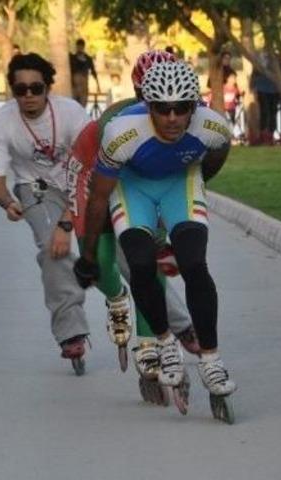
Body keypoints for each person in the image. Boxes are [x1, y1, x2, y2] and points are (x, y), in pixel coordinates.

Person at [74, 61, 237, 420]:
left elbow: (219, 153)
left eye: (183, 107)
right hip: (133, 190)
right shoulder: (121, 133)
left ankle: (211, 358)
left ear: (195, 106)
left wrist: (196, 177)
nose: (173, 117)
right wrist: (88, 256)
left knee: (194, 264)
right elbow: (99, 198)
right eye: (163, 108)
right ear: (147, 105)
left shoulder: (212, 126)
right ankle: (165, 342)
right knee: (142, 266)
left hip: (180, 183)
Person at [67, 50, 200, 403]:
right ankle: (115, 296)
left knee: (148, 263)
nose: (167, 112)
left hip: (135, 180)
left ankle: (150, 345)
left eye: (178, 104)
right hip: (92, 175)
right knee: (98, 257)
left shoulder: (185, 121)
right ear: (140, 94)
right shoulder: (119, 122)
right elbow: (100, 193)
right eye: (153, 101)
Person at [0, 53, 92, 374]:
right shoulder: (1, 122)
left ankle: (179, 323)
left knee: (123, 252)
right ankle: (71, 331)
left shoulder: (71, 113)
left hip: (81, 183)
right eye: (21, 90)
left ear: (49, 88)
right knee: (52, 248)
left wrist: (68, 221)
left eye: (36, 88)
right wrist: (8, 203)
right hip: (36, 189)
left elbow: (92, 169)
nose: (29, 96)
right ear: (12, 91)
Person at [249, 52, 279, 145]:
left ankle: (270, 135)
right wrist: (252, 86)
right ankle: (264, 135)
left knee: (273, 112)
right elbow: (254, 73)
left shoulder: (276, 58)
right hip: (262, 88)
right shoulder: (259, 59)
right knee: (265, 112)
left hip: (274, 89)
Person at [69, 39, 100, 108]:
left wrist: (98, 85)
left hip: (84, 85)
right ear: (76, 47)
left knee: (83, 105)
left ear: (83, 47)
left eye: (81, 46)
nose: (79, 48)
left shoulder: (88, 59)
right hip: (74, 85)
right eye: (78, 46)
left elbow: (93, 71)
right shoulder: (72, 58)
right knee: (74, 105)